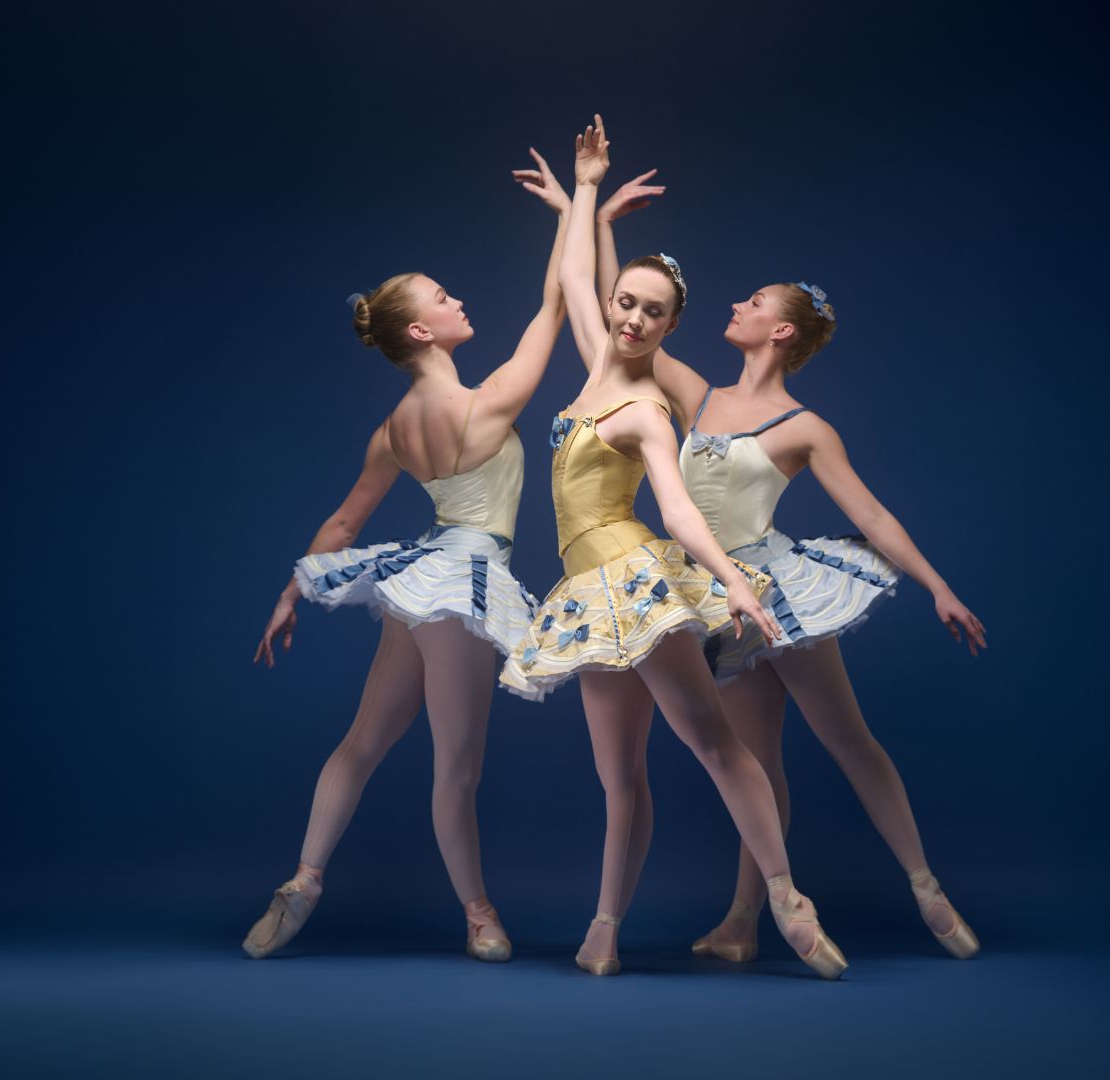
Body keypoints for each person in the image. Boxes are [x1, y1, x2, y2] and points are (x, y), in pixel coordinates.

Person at [579, 162, 990, 961]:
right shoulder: (695, 395)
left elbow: (869, 513)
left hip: (777, 588)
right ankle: (742, 923)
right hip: (712, 596)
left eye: (754, 304)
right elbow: (620, 311)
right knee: (754, 761)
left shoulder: (806, 427)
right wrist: (603, 223)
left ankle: (926, 888)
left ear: (782, 333)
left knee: (849, 740)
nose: (735, 305)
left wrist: (938, 586)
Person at [501, 116, 847, 979]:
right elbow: (578, 274)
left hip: (634, 578)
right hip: (588, 590)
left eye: (653, 313)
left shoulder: (647, 411)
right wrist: (583, 191)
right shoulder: (590, 369)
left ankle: (784, 896)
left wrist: (734, 582)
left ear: (667, 327)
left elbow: (679, 510)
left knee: (714, 744)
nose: (632, 318)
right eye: (628, 303)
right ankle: (605, 929)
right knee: (618, 776)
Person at [244, 162, 571, 962]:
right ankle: (480, 915)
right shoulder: (486, 403)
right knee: (455, 765)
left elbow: (346, 519)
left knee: (363, 741)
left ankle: (306, 878)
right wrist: (573, 208)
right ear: (422, 333)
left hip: (418, 580)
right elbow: (557, 304)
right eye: (442, 297)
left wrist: (292, 592)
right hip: (458, 586)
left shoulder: (394, 427)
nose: (458, 300)